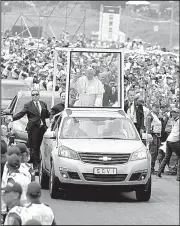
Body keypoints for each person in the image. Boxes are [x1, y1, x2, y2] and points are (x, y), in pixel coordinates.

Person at [11, 90, 50, 171]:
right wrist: (12, 118)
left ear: (39, 95)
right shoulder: (28, 105)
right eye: (33, 95)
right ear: (31, 96)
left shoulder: (43, 104)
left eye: (36, 94)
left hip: (42, 128)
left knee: (41, 146)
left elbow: (47, 114)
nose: (35, 96)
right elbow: (21, 114)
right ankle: (36, 165)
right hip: (33, 128)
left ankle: (36, 161)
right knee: (34, 146)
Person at [157, 108, 179, 181]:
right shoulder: (177, 121)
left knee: (167, 156)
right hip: (174, 140)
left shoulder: (173, 121)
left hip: (169, 140)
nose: (173, 114)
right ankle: (178, 177)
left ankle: (159, 172)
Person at [146, 103, 162, 172]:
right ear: (152, 107)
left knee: (156, 152)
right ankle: (150, 168)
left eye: (158, 107)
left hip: (158, 135)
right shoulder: (150, 115)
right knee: (153, 152)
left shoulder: (158, 115)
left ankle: (152, 167)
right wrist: (149, 135)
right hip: (153, 135)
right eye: (156, 107)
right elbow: (148, 126)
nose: (158, 109)